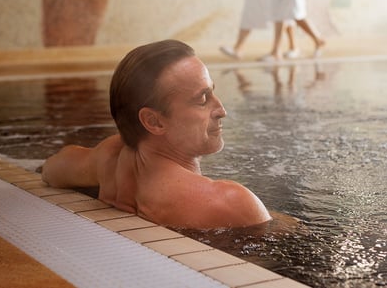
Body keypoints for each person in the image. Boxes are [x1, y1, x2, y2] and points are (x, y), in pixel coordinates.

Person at [42, 39, 271, 229]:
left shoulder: (109, 160)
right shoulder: (231, 203)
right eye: (202, 99)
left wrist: (114, 150)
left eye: (213, 92)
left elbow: (51, 169)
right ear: (154, 121)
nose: (222, 110)